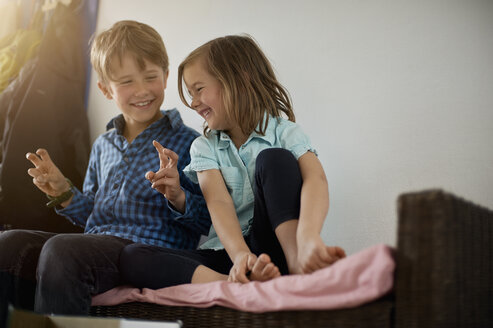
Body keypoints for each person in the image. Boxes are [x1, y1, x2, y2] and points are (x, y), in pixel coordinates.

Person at [0, 20, 210, 325]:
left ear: (165, 77)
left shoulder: (191, 143)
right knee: (7, 243)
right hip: (96, 246)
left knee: (63, 250)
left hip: (148, 254)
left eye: (150, 77)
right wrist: (64, 192)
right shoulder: (103, 144)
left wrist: (177, 195)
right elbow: (94, 218)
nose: (141, 90)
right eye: (126, 82)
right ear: (105, 89)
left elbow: (207, 220)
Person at [119, 34, 345, 290]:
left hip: (278, 247)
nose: (193, 103)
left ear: (239, 79)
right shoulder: (204, 146)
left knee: (274, 158)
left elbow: (316, 179)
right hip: (228, 254)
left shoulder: (285, 132)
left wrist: (309, 237)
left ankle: (297, 263)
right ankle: (237, 283)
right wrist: (240, 258)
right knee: (132, 257)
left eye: (199, 89)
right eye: (190, 94)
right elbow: (218, 202)